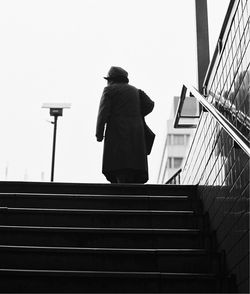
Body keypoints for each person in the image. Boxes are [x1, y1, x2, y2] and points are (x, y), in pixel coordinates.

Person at [96, 66, 154, 183]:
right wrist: (137, 114)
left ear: (111, 80)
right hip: (137, 135)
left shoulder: (109, 90)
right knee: (133, 168)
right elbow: (150, 104)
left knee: (119, 167)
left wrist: (99, 134)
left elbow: (103, 113)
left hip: (117, 134)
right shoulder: (136, 91)